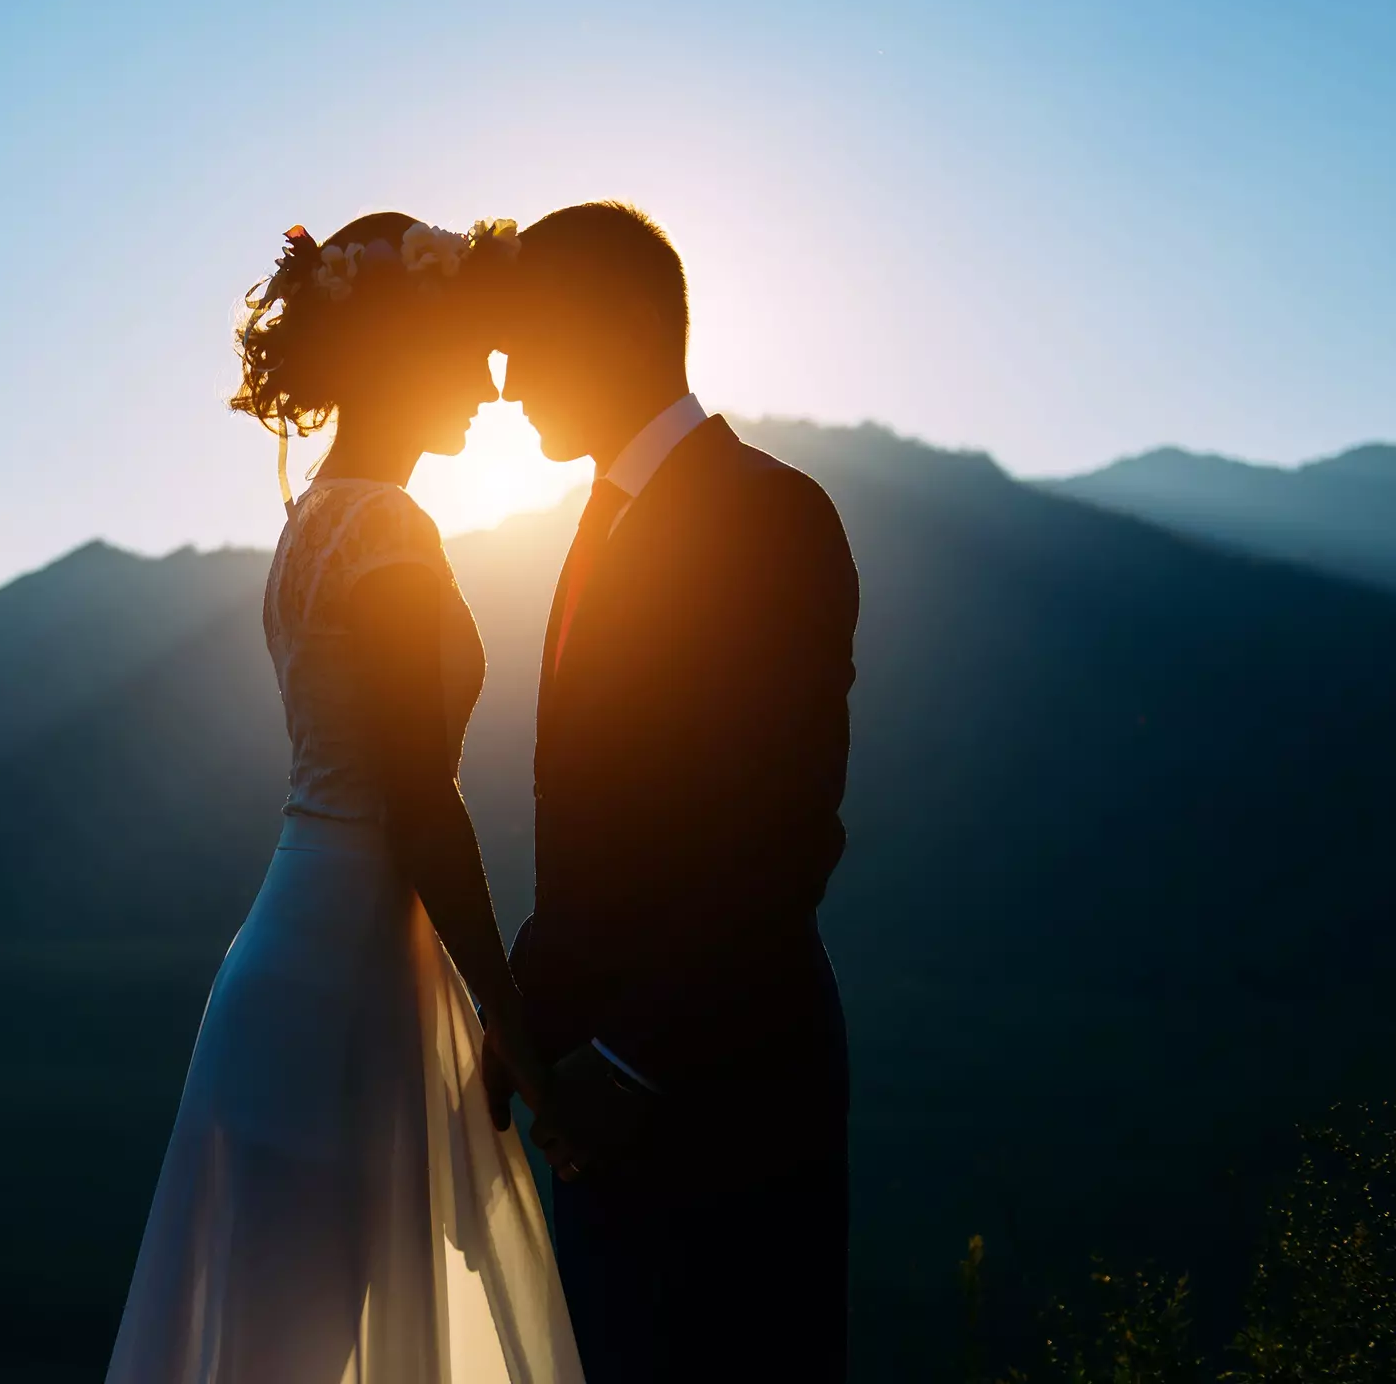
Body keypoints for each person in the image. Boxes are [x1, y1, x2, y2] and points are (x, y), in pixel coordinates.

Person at [104, 213, 585, 1384]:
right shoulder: (388, 532)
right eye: (467, 351)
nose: (487, 387)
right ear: (400, 354)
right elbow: (422, 801)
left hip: (291, 951)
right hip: (342, 991)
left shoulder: (315, 517)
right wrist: (511, 1020)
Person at [483, 201, 860, 1382]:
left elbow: (782, 832)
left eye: (526, 343)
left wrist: (634, 1057)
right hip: (606, 1118)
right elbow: (588, 827)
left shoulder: (769, 512)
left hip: (731, 1101)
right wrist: (531, 1021)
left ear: (625, 325)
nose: (505, 383)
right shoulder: (590, 526)